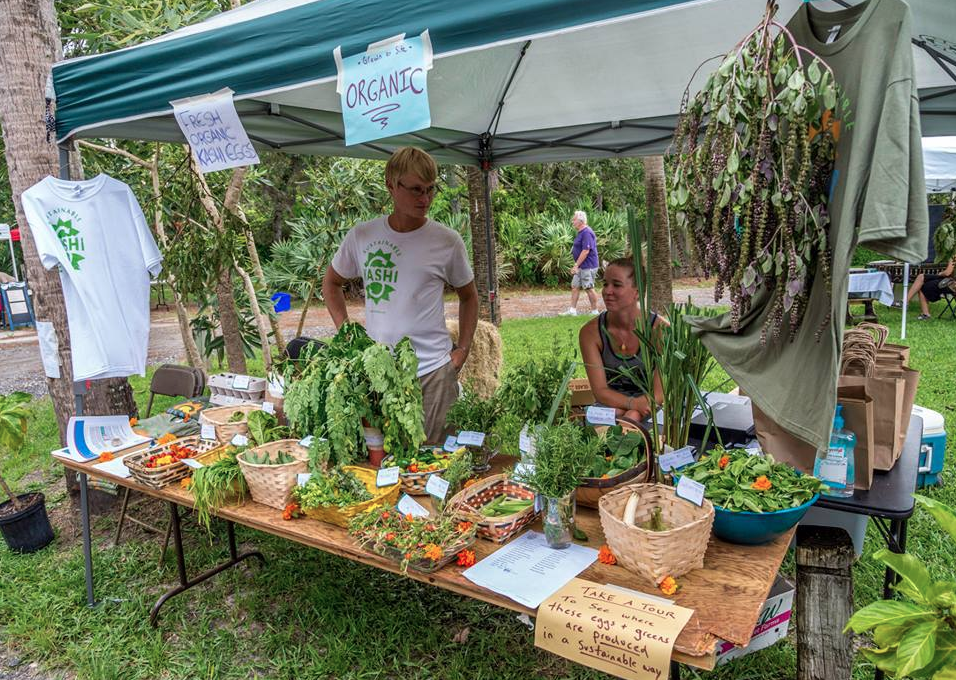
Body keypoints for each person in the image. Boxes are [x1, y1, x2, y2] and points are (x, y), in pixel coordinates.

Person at [321, 147, 479, 444]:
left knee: (437, 463)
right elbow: (331, 283)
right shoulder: (363, 236)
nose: (426, 199)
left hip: (433, 371)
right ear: (390, 185)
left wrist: (463, 350)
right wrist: (347, 333)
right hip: (379, 373)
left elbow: (469, 296)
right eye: (417, 189)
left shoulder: (446, 241)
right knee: (383, 460)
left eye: (431, 190)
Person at [579, 257, 665, 422]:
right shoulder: (591, 333)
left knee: (631, 418)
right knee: (617, 417)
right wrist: (632, 405)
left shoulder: (659, 330)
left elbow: (659, 394)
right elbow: (600, 391)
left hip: (653, 407)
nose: (607, 291)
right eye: (605, 284)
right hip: (610, 407)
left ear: (637, 292)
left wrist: (636, 412)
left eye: (616, 285)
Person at [561, 210, 600, 316]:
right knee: (575, 286)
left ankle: (595, 311)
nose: (572, 221)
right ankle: (572, 311)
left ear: (580, 221)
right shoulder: (581, 232)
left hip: (588, 266)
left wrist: (576, 265)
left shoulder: (587, 232)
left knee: (588, 288)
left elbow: (586, 251)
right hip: (581, 265)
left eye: (574, 219)